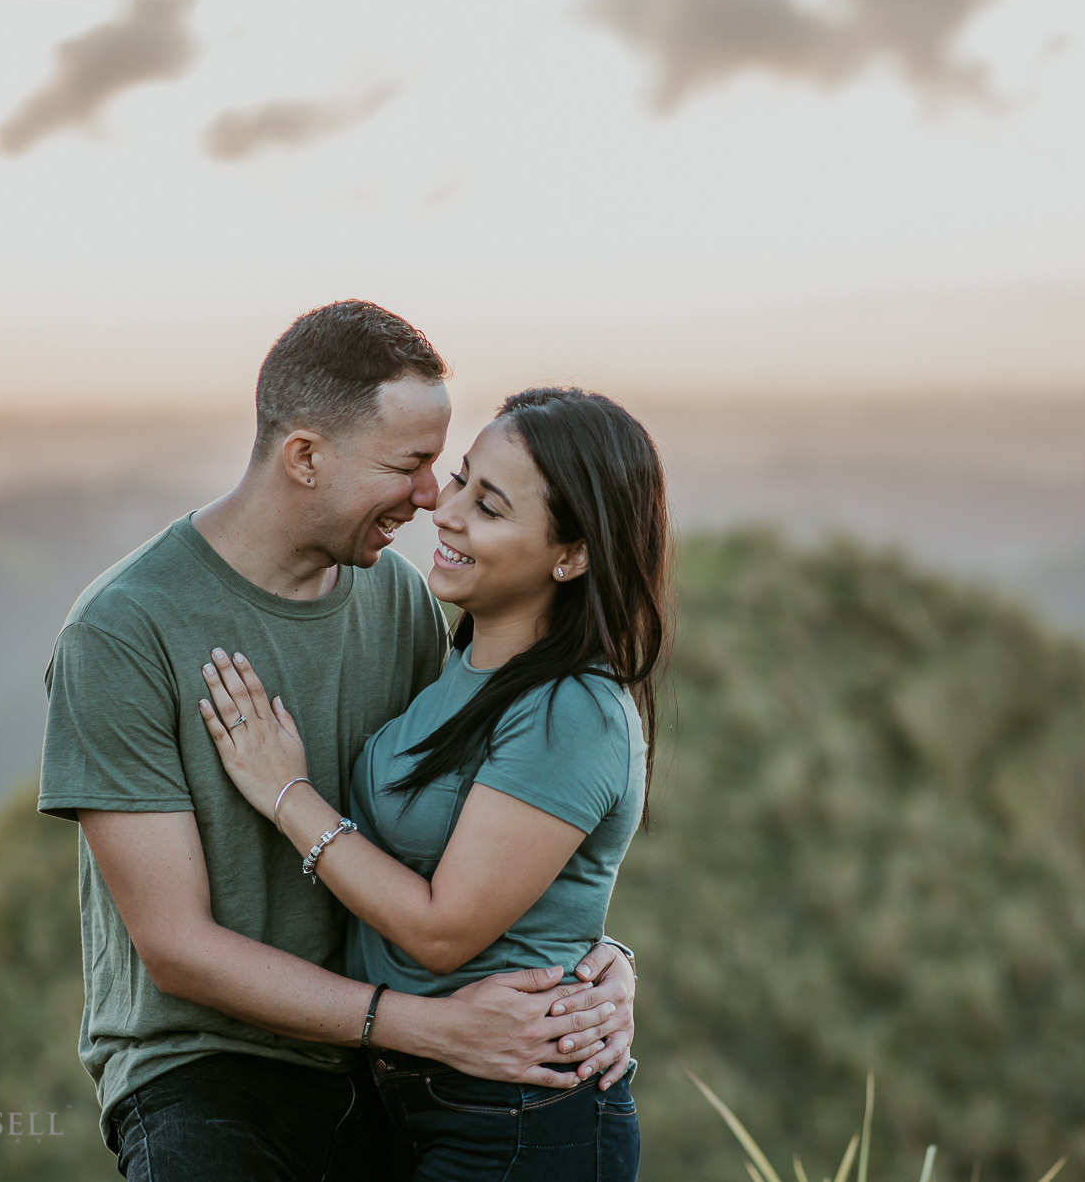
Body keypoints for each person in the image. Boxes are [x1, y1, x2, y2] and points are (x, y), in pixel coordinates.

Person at [37, 302, 636, 1182]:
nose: (432, 498)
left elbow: (477, 835)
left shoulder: (397, 602)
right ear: (306, 457)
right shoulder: (125, 631)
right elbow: (175, 946)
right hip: (212, 1078)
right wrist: (428, 1024)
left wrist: (599, 968)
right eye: (413, 465)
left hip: (392, 1072)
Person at [195, 386, 668, 1181]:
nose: (445, 513)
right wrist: (611, 956)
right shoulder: (460, 667)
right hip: (417, 1103)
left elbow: (443, 930)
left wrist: (287, 795)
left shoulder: (570, 710)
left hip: (520, 1115)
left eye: (489, 506)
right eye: (459, 481)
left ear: (572, 554)